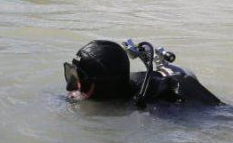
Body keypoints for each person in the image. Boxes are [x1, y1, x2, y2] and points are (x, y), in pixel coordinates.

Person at [63, 39, 223, 108]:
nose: (72, 88)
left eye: (80, 81)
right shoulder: (118, 85)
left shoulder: (156, 105)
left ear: (104, 88)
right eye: (71, 75)